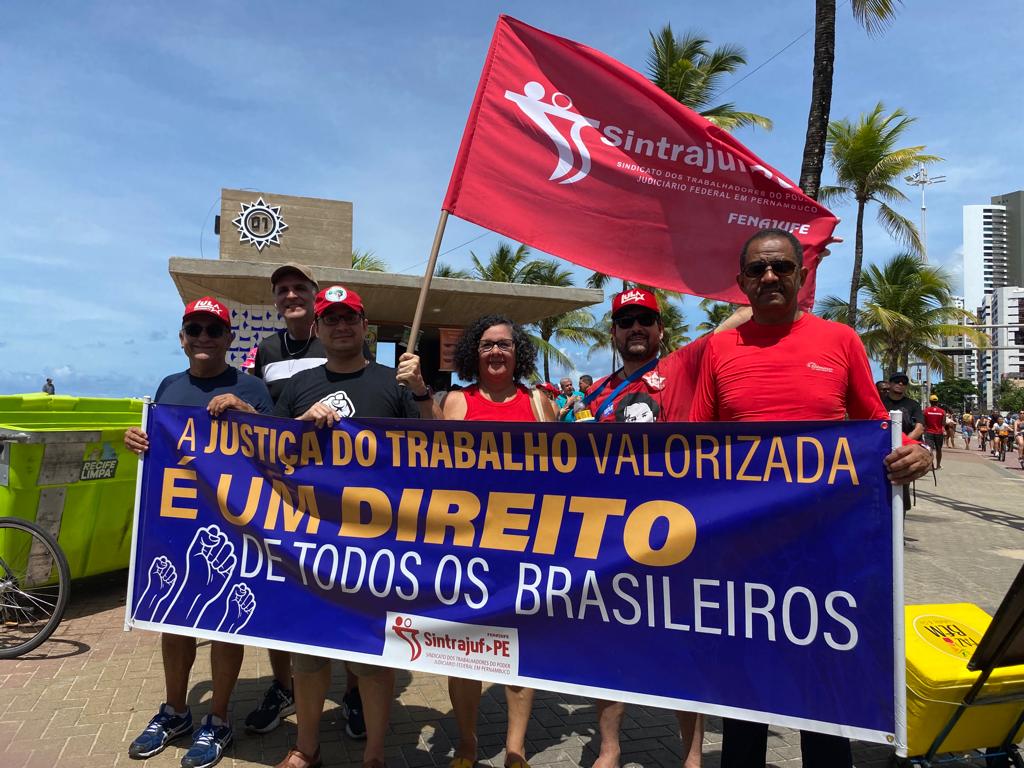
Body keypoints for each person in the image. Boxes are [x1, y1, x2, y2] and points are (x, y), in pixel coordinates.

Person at [689, 228, 931, 768]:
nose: (769, 277)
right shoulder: (720, 349)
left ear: (801, 275)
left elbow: (879, 426)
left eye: (781, 267)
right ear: (741, 283)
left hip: (825, 553)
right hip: (743, 554)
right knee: (744, 696)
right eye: (757, 270)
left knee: (824, 690)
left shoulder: (840, 340)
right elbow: (693, 447)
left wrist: (921, 452)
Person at [583, 287, 748, 768]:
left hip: (677, 539)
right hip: (610, 541)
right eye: (626, 320)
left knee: (685, 649)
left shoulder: (681, 369)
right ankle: (610, 749)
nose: (636, 327)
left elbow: (738, 318)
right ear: (614, 332)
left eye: (645, 320)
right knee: (606, 648)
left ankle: (692, 755)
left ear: (660, 330)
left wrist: (804, 260)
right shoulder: (596, 395)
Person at [271, 284, 435, 768]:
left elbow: (434, 448)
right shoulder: (299, 386)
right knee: (309, 656)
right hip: (311, 545)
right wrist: (299, 423)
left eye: (351, 319)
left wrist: (422, 390)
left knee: (372, 659)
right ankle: (306, 748)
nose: (341, 327)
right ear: (318, 329)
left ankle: (376, 755)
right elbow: (271, 454)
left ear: (365, 327)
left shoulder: (394, 383)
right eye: (332, 319)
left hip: (376, 546)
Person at [124, 297, 274, 768]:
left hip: (232, 525)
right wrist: (138, 440)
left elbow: (279, 452)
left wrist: (247, 411)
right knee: (173, 619)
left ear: (230, 339)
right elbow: (160, 445)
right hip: (178, 522)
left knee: (226, 622)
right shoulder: (169, 385)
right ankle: (175, 711)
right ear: (183, 337)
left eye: (214, 330)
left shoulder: (252, 386)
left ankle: (220, 718)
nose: (204, 337)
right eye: (195, 329)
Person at [440, 315, 556, 768]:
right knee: (462, 649)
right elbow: (441, 471)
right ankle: (467, 743)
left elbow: (561, 468)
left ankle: (516, 748)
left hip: (527, 543)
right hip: (468, 546)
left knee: (519, 649)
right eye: (487, 345)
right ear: (475, 351)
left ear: (517, 352)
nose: (495, 352)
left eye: (504, 345)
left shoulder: (539, 401)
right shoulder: (457, 400)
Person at [241, 264, 347, 738]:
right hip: (283, 491)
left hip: (338, 493)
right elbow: (262, 418)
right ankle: (283, 686)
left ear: (314, 296)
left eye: (298, 288)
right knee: (282, 590)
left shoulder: (337, 339)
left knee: (341, 593)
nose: (290, 295)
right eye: (281, 290)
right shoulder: (263, 350)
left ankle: (353, 694)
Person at [882, 373, 924, 441]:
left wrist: (903, 443)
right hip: (884, 444)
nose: (901, 383)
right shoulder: (880, 403)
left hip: (907, 444)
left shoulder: (914, 404)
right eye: (897, 381)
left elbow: (919, 429)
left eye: (904, 382)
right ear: (889, 384)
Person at [923, 395, 947, 469]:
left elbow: (924, 422)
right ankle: (938, 465)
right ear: (937, 402)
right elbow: (943, 424)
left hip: (928, 432)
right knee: (939, 449)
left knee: (929, 449)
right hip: (939, 433)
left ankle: (930, 465)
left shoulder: (925, 411)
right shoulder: (942, 412)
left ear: (930, 402)